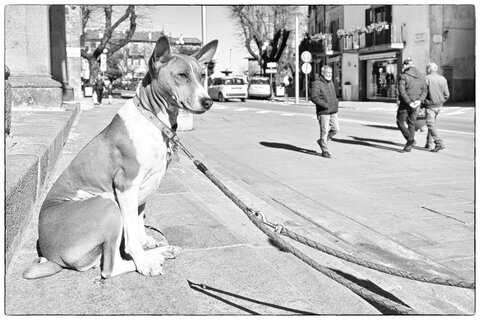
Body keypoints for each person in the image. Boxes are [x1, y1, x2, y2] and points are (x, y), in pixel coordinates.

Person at [396, 58, 427, 152]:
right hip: (417, 104)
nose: (402, 67)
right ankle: (409, 146)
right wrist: (419, 100)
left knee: (400, 121)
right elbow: (425, 90)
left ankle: (410, 140)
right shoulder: (421, 76)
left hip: (406, 104)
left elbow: (402, 91)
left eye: (403, 66)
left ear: (406, 65)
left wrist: (409, 102)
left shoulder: (403, 76)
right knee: (411, 123)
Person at [310, 65, 339, 158]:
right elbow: (314, 97)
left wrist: (336, 103)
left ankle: (322, 141)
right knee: (324, 131)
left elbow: (333, 95)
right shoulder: (316, 83)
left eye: (331, 72)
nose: (330, 74)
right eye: (328, 73)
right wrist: (325, 105)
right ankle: (324, 150)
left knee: (336, 129)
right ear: (323, 73)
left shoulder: (330, 82)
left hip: (333, 110)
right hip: (323, 111)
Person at [423, 62, 450, 152]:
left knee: (430, 124)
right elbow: (447, 94)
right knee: (432, 124)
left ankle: (439, 143)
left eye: (427, 68)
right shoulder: (443, 79)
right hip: (439, 106)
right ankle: (429, 144)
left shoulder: (426, 78)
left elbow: (423, 94)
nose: (426, 70)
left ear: (429, 69)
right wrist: (441, 101)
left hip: (430, 105)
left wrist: (422, 103)